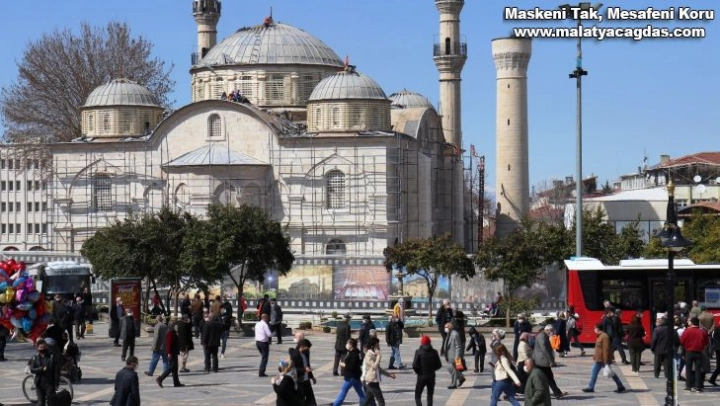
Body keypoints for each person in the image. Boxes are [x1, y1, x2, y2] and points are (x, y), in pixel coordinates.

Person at [582, 323, 626, 393]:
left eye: (595, 328)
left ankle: (591, 387)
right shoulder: (600, 336)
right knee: (609, 372)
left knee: (596, 372)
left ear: (598, 329)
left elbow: (606, 349)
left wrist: (606, 361)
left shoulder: (604, 336)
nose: (594, 329)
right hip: (599, 358)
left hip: (602, 359)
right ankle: (620, 386)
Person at [532, 324, 567, 399]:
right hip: (542, 361)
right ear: (547, 330)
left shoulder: (543, 335)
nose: (551, 333)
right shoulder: (542, 336)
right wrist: (551, 361)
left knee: (548, 378)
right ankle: (557, 393)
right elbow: (544, 349)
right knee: (548, 378)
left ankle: (557, 393)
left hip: (540, 360)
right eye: (551, 331)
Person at [361, 337, 396, 406]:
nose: (378, 347)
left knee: (367, 400)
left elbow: (378, 368)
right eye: (377, 345)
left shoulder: (373, 354)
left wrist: (389, 374)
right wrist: (378, 356)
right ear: (373, 346)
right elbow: (374, 366)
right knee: (381, 401)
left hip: (374, 380)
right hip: (371, 381)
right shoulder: (369, 355)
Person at [333, 338, 366, 406]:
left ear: (351, 344)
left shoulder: (354, 354)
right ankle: (365, 404)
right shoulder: (354, 352)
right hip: (356, 376)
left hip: (351, 376)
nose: (346, 345)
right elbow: (359, 363)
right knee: (360, 393)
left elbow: (352, 365)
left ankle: (336, 404)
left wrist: (344, 364)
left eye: (347, 343)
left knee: (343, 391)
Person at [680, 316, 709, 392]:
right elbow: (706, 342)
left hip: (689, 352)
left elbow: (682, 341)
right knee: (698, 369)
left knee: (688, 369)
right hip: (699, 352)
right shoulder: (702, 332)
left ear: (692, 323)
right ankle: (698, 386)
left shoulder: (687, 331)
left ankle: (689, 385)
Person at [413, 335, 442, 406]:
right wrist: (432, 369)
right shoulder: (434, 352)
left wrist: (418, 372)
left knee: (417, 394)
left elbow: (415, 365)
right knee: (430, 395)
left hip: (421, 376)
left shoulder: (418, 352)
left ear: (422, 343)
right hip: (431, 376)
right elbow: (439, 365)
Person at [30, 339, 60, 406]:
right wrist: (41, 369)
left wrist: (56, 384)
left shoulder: (51, 356)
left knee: (51, 402)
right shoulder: (35, 357)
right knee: (41, 403)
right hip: (39, 383)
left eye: (44, 347)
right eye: (41, 347)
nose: (42, 349)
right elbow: (32, 369)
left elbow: (56, 371)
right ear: (37, 348)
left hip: (49, 383)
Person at [156, 322, 183, 388]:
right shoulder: (170, 333)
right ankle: (160, 378)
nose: (175, 326)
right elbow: (169, 344)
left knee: (175, 367)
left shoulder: (173, 332)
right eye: (174, 325)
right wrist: (169, 353)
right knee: (172, 366)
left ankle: (176, 382)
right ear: (171, 326)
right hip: (171, 352)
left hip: (174, 352)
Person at [444, 321, 465, 389]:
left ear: (450, 327)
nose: (445, 328)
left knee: (453, 369)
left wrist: (457, 357)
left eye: (446, 327)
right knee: (450, 368)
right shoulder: (449, 334)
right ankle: (461, 378)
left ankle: (453, 384)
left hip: (455, 356)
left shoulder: (455, 334)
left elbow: (458, 346)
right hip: (449, 355)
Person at [296, 339, 317, 406]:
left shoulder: (306, 353)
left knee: (311, 398)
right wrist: (304, 369)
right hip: (299, 380)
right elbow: (294, 369)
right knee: (301, 398)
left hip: (306, 378)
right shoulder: (295, 355)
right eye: (307, 348)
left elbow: (308, 365)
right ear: (302, 346)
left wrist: (312, 377)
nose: (308, 350)